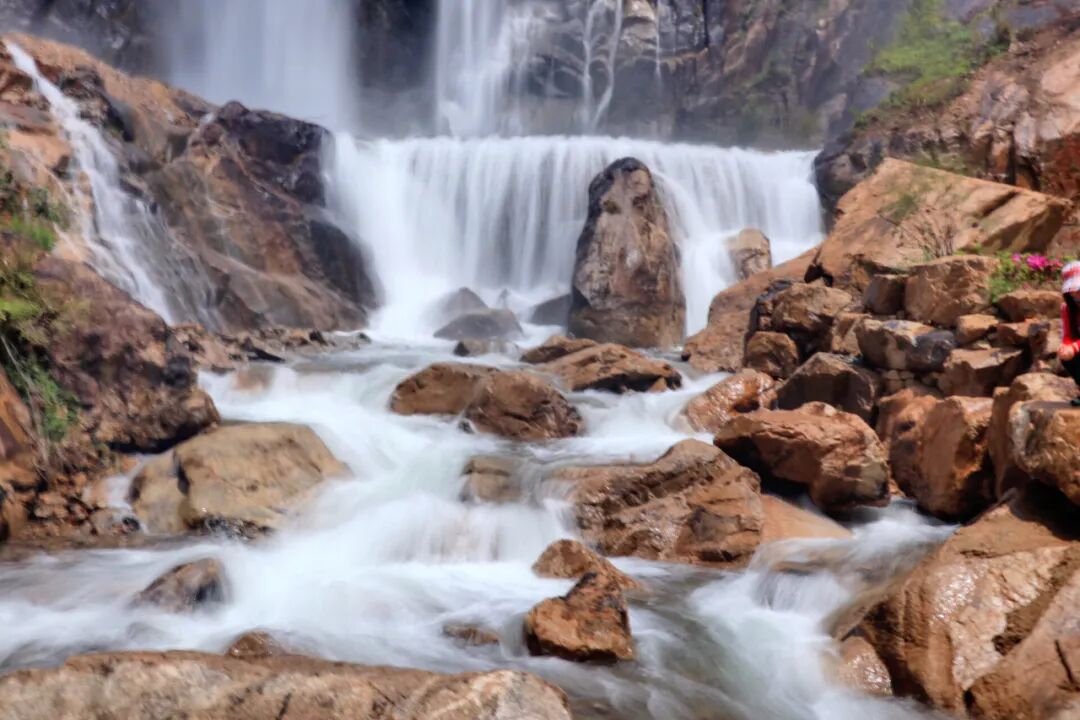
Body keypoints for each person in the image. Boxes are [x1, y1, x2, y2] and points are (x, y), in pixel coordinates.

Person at [1059, 260, 1080, 405]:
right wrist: (1065, 346)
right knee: (1067, 358)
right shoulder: (1067, 309)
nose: (1075, 294)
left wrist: (1074, 347)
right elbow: (1068, 334)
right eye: (1072, 292)